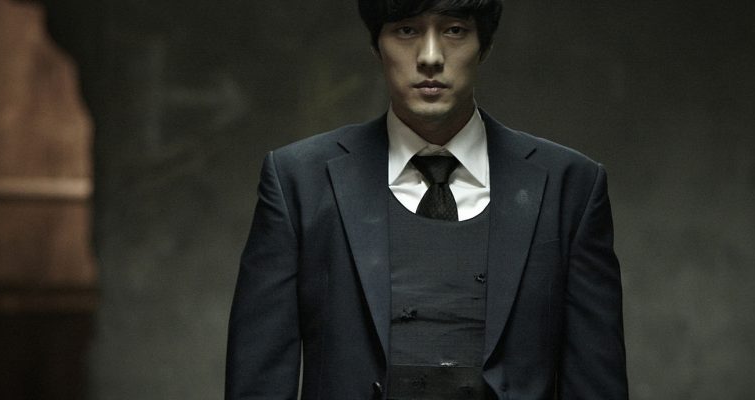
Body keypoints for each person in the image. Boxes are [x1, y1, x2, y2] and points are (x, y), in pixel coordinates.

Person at [226, 0, 628, 398]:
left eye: (455, 30)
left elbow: (597, 385)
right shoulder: (299, 181)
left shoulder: (570, 186)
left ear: (485, 45)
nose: (430, 57)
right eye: (406, 30)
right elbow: (258, 383)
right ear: (376, 45)